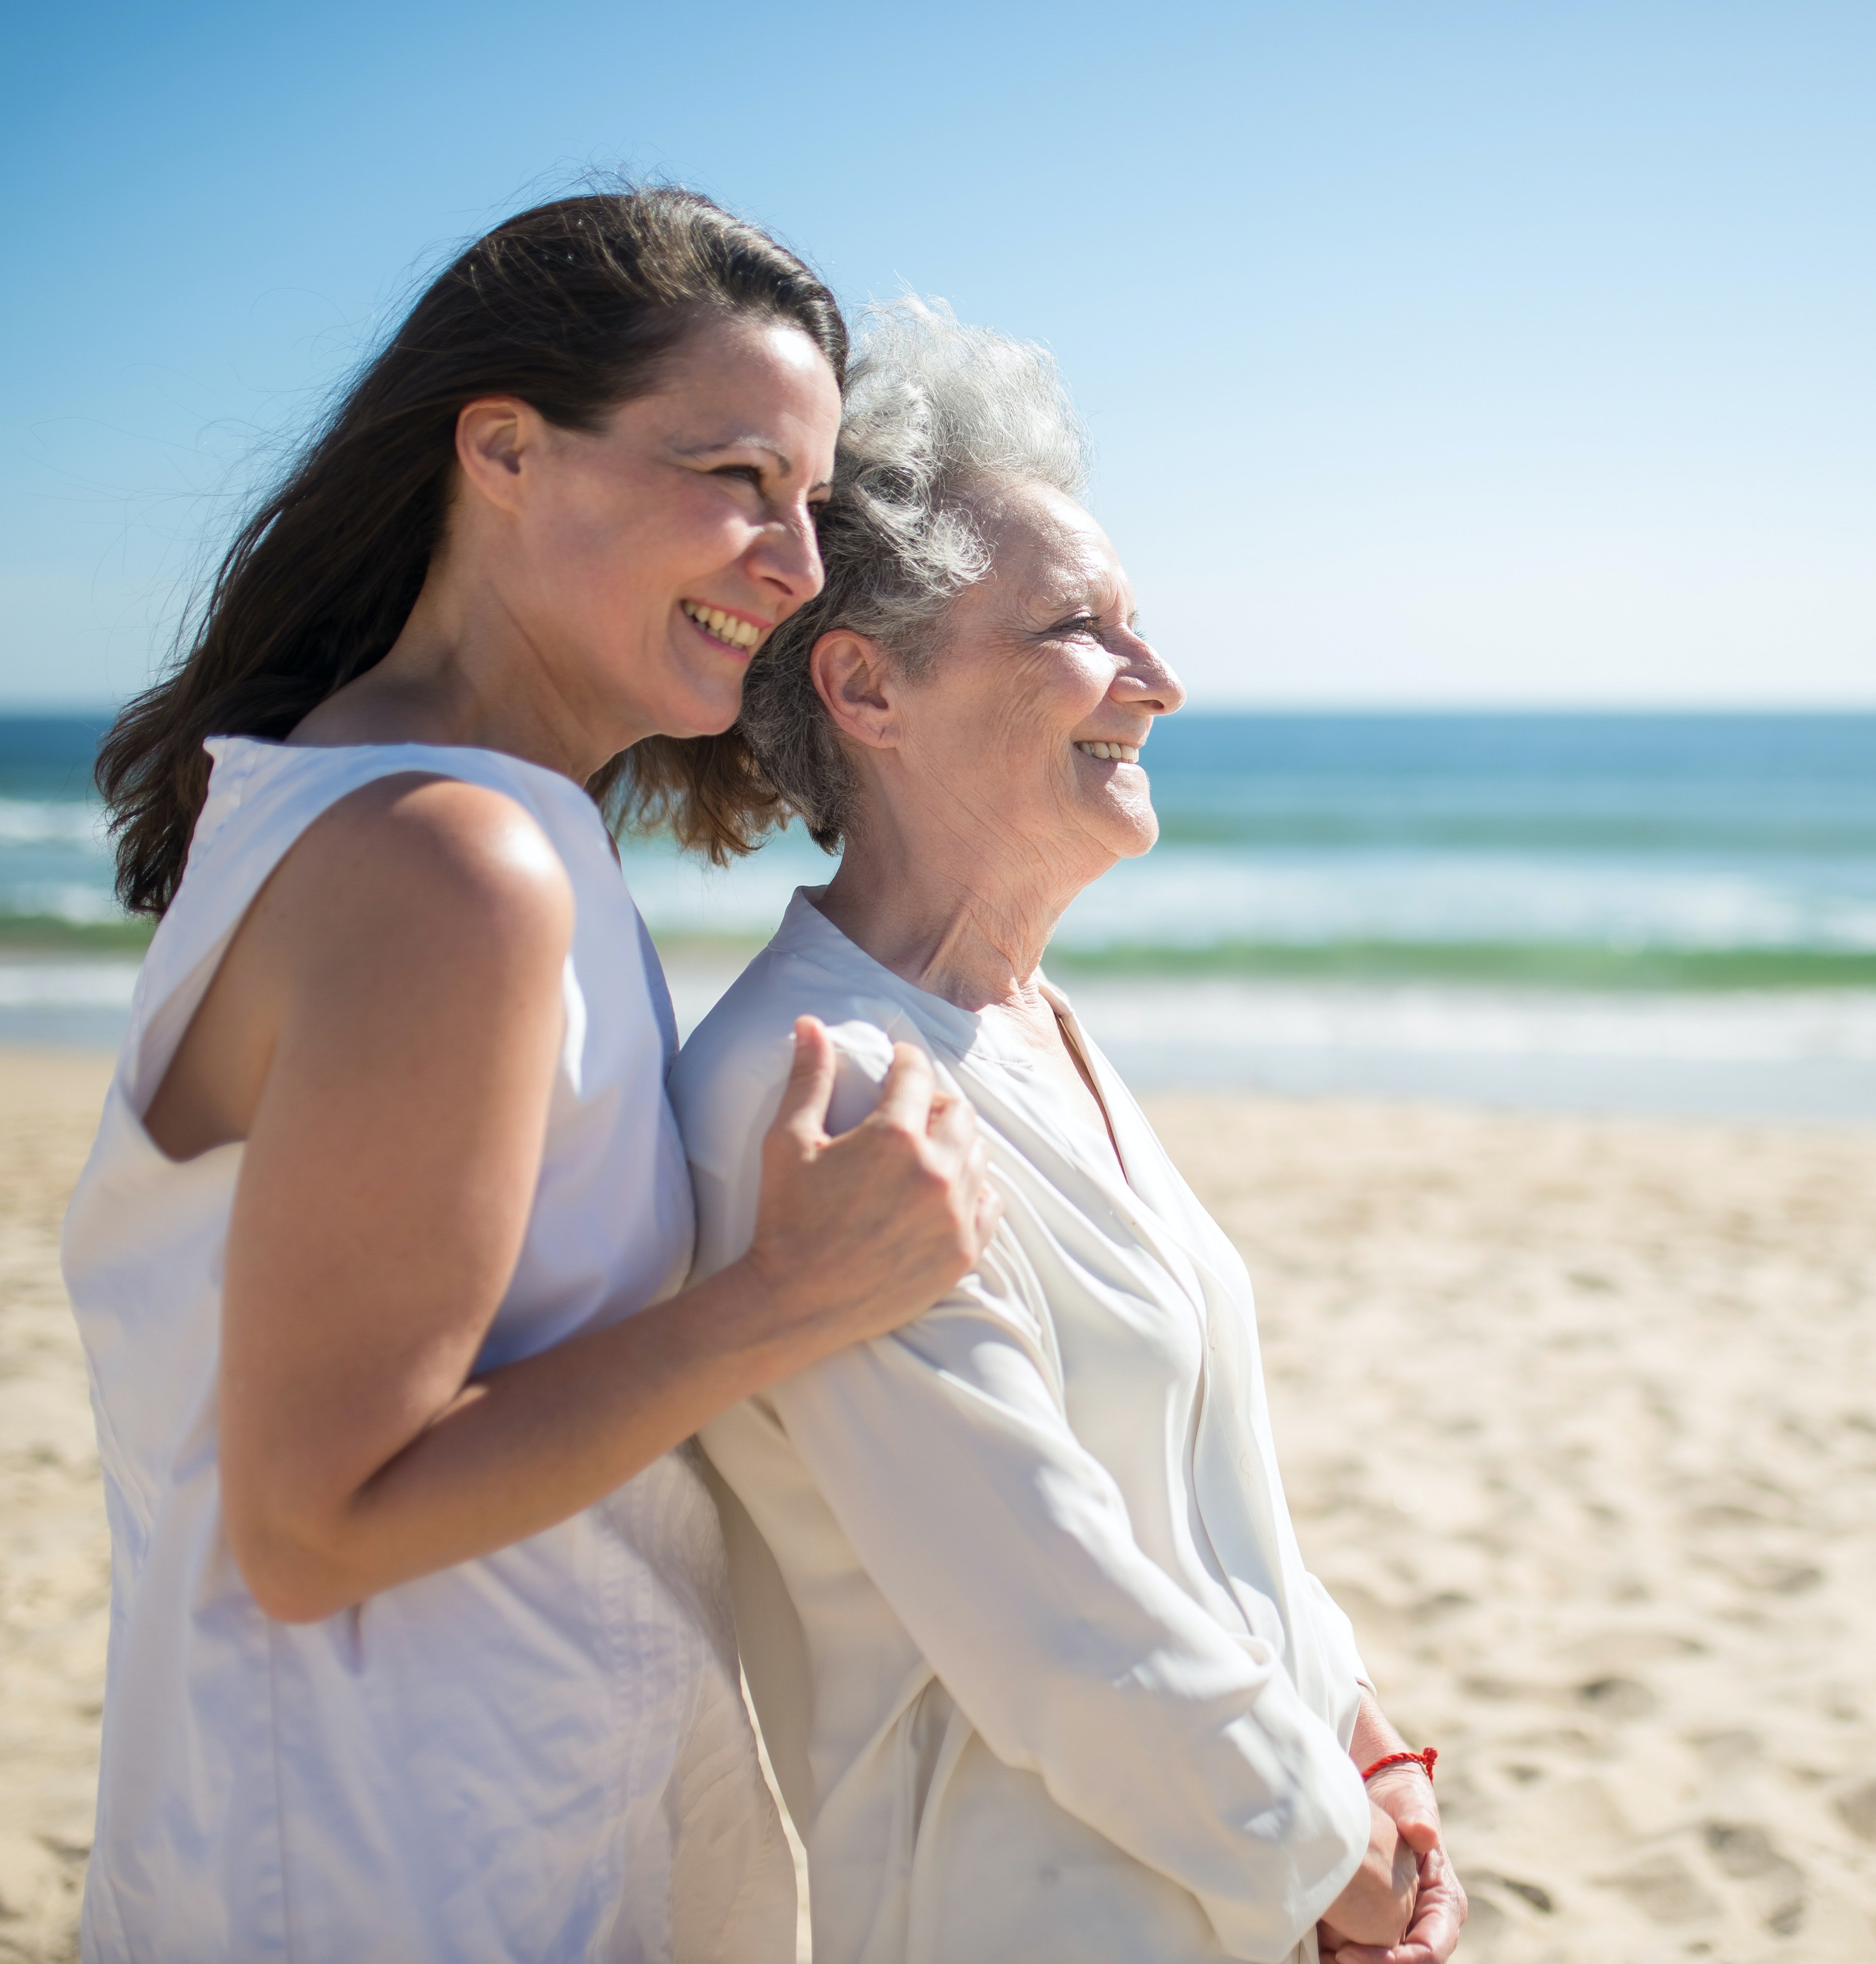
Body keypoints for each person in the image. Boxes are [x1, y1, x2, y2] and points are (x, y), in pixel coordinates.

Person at [64, 190, 999, 1962]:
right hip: (388, 1873)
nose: (795, 565)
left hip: (456, 1829)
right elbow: (315, 1525)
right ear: (502, 446)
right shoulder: (450, 867)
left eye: (806, 504)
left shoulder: (425, 818)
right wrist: (786, 1298)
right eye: (736, 477)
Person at [671, 301, 1468, 1964]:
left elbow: (1209, 1501)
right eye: (1080, 630)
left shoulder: (1034, 1030)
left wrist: (1371, 1742)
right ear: (866, 685)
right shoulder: (816, 1091)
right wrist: (1351, 1868)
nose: (1159, 685)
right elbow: (1056, 1621)